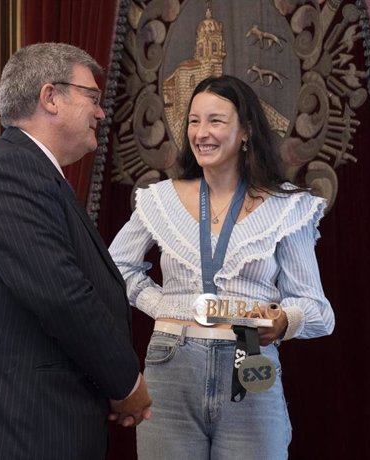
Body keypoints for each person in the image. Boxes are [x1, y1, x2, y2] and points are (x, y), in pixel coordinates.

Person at [0, 42, 152, 460]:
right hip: (16, 429)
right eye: (92, 96)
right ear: (50, 96)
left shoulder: (30, 171)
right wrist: (127, 384)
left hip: (33, 424)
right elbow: (62, 296)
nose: (101, 112)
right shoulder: (9, 175)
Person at [110, 74, 335, 460]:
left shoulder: (287, 207)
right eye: (194, 121)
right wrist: (163, 306)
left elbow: (319, 311)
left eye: (215, 120)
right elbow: (117, 269)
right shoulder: (159, 199)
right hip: (170, 362)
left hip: (249, 360)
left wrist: (282, 321)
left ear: (245, 131)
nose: (201, 132)